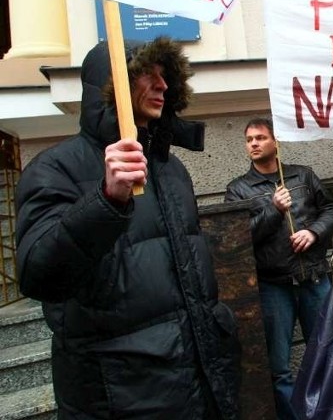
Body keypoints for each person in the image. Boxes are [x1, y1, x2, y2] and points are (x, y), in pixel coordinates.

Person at [15, 37, 239, 418]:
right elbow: (40, 275)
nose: (163, 85)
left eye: (166, 75)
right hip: (123, 398)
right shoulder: (55, 169)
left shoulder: (171, 169)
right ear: (112, 82)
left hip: (200, 388)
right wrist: (106, 200)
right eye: (148, 74)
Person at [224, 118, 333, 420]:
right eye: (249, 140)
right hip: (274, 286)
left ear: (276, 141)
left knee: (327, 355)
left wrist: (313, 232)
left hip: (315, 278)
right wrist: (273, 210)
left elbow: (331, 210)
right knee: (279, 368)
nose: (253, 144)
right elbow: (240, 236)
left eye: (260, 138)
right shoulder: (238, 189)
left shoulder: (303, 176)